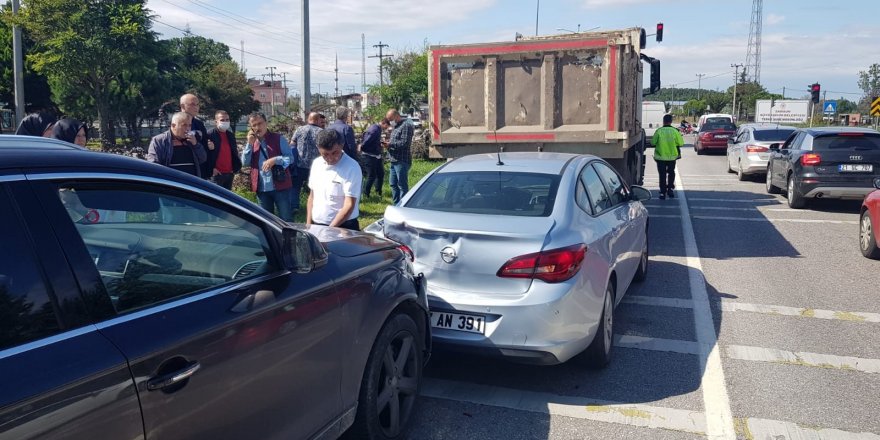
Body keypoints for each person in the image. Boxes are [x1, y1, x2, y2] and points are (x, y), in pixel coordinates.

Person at [241, 112, 294, 221]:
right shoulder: (252, 142)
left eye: (260, 123)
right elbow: (245, 163)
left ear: (266, 123)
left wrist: (275, 160)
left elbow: (291, 159)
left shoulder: (278, 138)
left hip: (280, 186)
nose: (257, 127)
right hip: (261, 188)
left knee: (286, 218)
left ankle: (290, 238)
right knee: (266, 220)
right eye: (254, 125)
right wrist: (249, 144)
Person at [306, 129, 362, 230]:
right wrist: (309, 225)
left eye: (335, 153)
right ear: (318, 149)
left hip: (344, 226)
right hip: (317, 225)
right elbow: (312, 197)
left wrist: (329, 230)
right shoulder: (317, 164)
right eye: (325, 154)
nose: (331, 158)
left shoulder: (352, 167)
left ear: (341, 145)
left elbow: (349, 204)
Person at [147, 112, 207, 178]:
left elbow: (203, 159)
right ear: (173, 125)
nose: (188, 129)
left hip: (191, 184)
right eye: (184, 125)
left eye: (189, 125)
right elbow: (153, 164)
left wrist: (196, 144)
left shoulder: (191, 140)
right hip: (172, 184)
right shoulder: (159, 141)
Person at [289, 112, 323, 213]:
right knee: (315, 188)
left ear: (308, 119)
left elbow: (292, 144)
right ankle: (315, 207)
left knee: (295, 187)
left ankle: (295, 206)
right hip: (315, 166)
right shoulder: (321, 132)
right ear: (317, 120)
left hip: (299, 164)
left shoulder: (300, 129)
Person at [206, 110, 243, 190]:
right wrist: (212, 169)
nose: (225, 122)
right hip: (216, 175)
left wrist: (235, 168)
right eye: (222, 120)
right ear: (216, 122)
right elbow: (205, 155)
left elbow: (234, 152)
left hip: (229, 174)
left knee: (227, 200)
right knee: (216, 199)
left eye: (227, 120)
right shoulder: (209, 134)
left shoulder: (230, 135)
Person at [383, 109, 414, 205]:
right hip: (393, 160)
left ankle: (403, 205)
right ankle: (396, 204)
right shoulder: (396, 126)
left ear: (396, 116)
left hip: (401, 160)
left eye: (391, 119)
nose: (390, 122)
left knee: (402, 185)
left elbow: (405, 143)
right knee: (393, 184)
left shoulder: (406, 126)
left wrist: (390, 144)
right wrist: (387, 145)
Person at [652, 114, 685, 200]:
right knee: (671, 173)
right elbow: (681, 143)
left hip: (660, 157)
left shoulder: (659, 131)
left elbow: (653, 142)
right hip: (671, 157)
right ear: (671, 121)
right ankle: (670, 189)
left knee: (662, 174)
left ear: (663, 121)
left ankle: (662, 192)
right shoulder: (675, 131)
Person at [180, 93, 210, 178]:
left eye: (197, 104)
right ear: (182, 106)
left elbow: (205, 145)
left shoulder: (199, 124)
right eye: (193, 104)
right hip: (181, 170)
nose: (196, 107)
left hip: (199, 170)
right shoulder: (175, 124)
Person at [359, 118, 390, 198]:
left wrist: (379, 144)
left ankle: (378, 192)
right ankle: (366, 194)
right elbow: (367, 140)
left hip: (376, 155)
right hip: (369, 155)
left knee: (380, 174)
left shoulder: (377, 129)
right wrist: (362, 147)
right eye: (386, 126)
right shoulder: (375, 130)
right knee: (371, 175)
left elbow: (373, 140)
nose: (386, 128)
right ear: (383, 123)